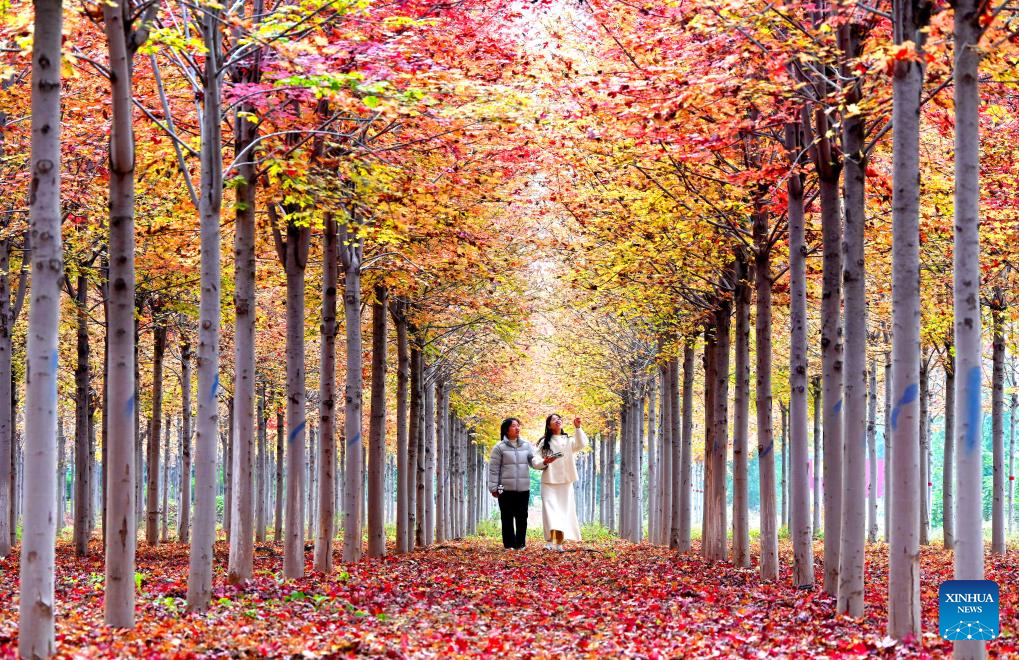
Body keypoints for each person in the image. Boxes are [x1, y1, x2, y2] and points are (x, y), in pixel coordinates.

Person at [487, 417, 552, 550]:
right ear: (506, 430)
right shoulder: (499, 448)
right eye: (514, 426)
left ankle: (520, 544)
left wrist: (544, 463)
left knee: (522, 517)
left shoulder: (526, 445)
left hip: (523, 488)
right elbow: (494, 469)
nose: (517, 428)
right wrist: (493, 487)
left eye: (518, 425)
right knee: (507, 517)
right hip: (504, 489)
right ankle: (509, 545)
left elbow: (534, 461)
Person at [534, 414, 587, 551]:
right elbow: (535, 460)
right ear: (549, 425)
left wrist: (578, 427)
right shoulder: (544, 442)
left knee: (563, 512)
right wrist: (544, 462)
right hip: (549, 481)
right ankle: (550, 541)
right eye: (553, 419)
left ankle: (559, 543)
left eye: (559, 418)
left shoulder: (568, 441)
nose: (557, 420)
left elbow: (582, 444)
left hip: (565, 481)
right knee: (550, 512)